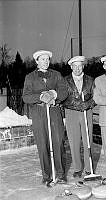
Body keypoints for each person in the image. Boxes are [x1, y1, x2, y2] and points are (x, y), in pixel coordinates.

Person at [23, 50, 68, 187]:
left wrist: (54, 94)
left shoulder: (56, 75)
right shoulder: (30, 77)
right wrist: (41, 96)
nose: (46, 61)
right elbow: (26, 97)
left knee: (58, 142)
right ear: (37, 61)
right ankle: (46, 175)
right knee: (43, 145)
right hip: (38, 113)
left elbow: (64, 91)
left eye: (47, 59)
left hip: (54, 112)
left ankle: (60, 174)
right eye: (42, 59)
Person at [62, 56, 96, 178]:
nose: (77, 68)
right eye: (74, 66)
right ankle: (77, 168)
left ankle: (89, 167)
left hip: (86, 112)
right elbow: (63, 99)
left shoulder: (90, 80)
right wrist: (78, 104)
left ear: (83, 66)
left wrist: (88, 104)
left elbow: (95, 97)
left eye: (79, 66)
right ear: (71, 67)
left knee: (88, 140)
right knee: (74, 141)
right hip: (71, 112)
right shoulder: (65, 80)